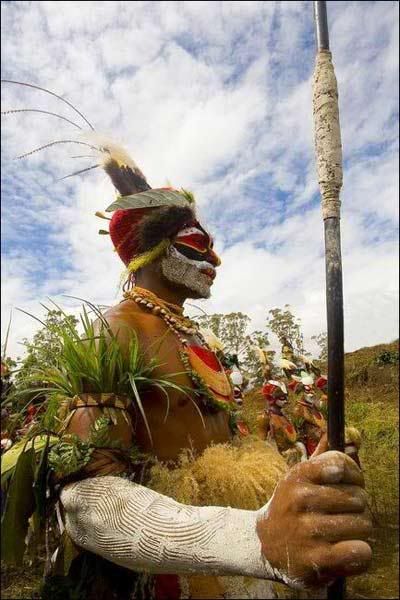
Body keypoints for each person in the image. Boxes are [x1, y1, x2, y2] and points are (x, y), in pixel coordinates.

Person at [48, 140, 372, 600]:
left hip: (237, 568)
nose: (214, 260)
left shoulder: (196, 339)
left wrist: (303, 477)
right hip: (167, 577)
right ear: (151, 251)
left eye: (211, 246)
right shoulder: (113, 332)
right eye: (197, 245)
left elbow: (224, 447)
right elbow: (85, 504)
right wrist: (253, 539)